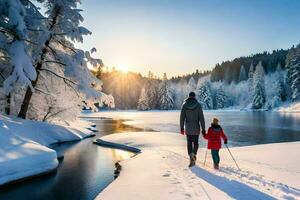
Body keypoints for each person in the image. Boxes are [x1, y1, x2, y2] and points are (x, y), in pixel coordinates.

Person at [180, 92, 205, 167]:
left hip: (188, 128)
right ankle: (194, 154)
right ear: (194, 97)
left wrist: (182, 128)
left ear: (189, 96)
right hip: (196, 128)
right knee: (196, 143)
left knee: (189, 143)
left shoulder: (184, 105)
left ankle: (191, 156)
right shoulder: (198, 105)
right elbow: (201, 118)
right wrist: (203, 129)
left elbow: (182, 118)